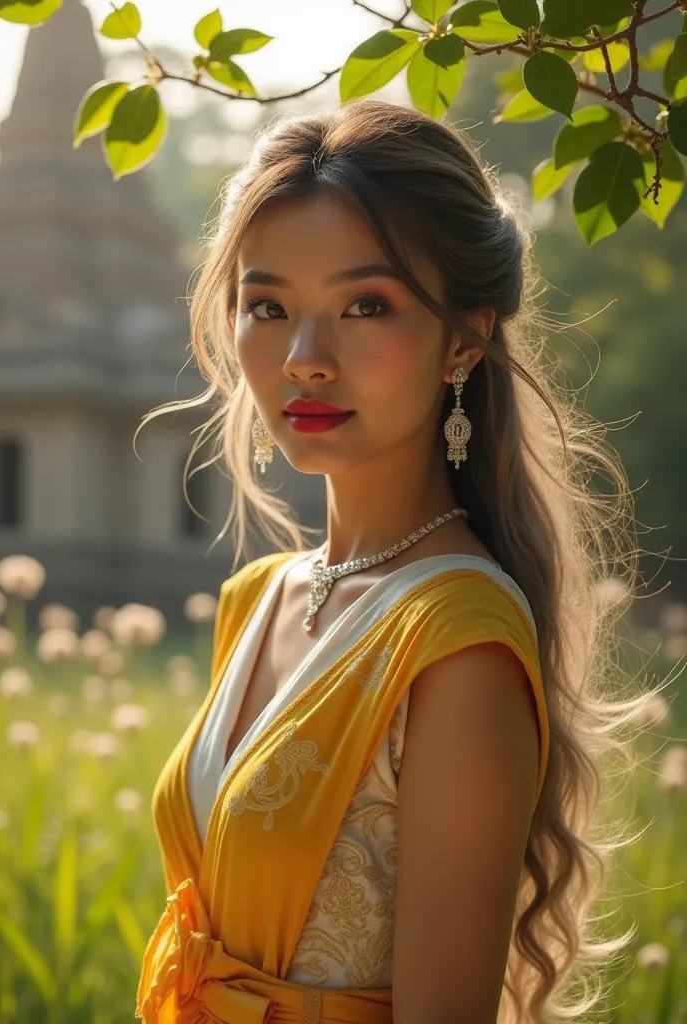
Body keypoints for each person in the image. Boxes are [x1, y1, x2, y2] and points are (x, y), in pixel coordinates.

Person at [134, 99, 658, 1024]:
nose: (304, 358)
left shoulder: (458, 648)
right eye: (268, 307)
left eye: (364, 306)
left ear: (466, 337)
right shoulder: (262, 597)